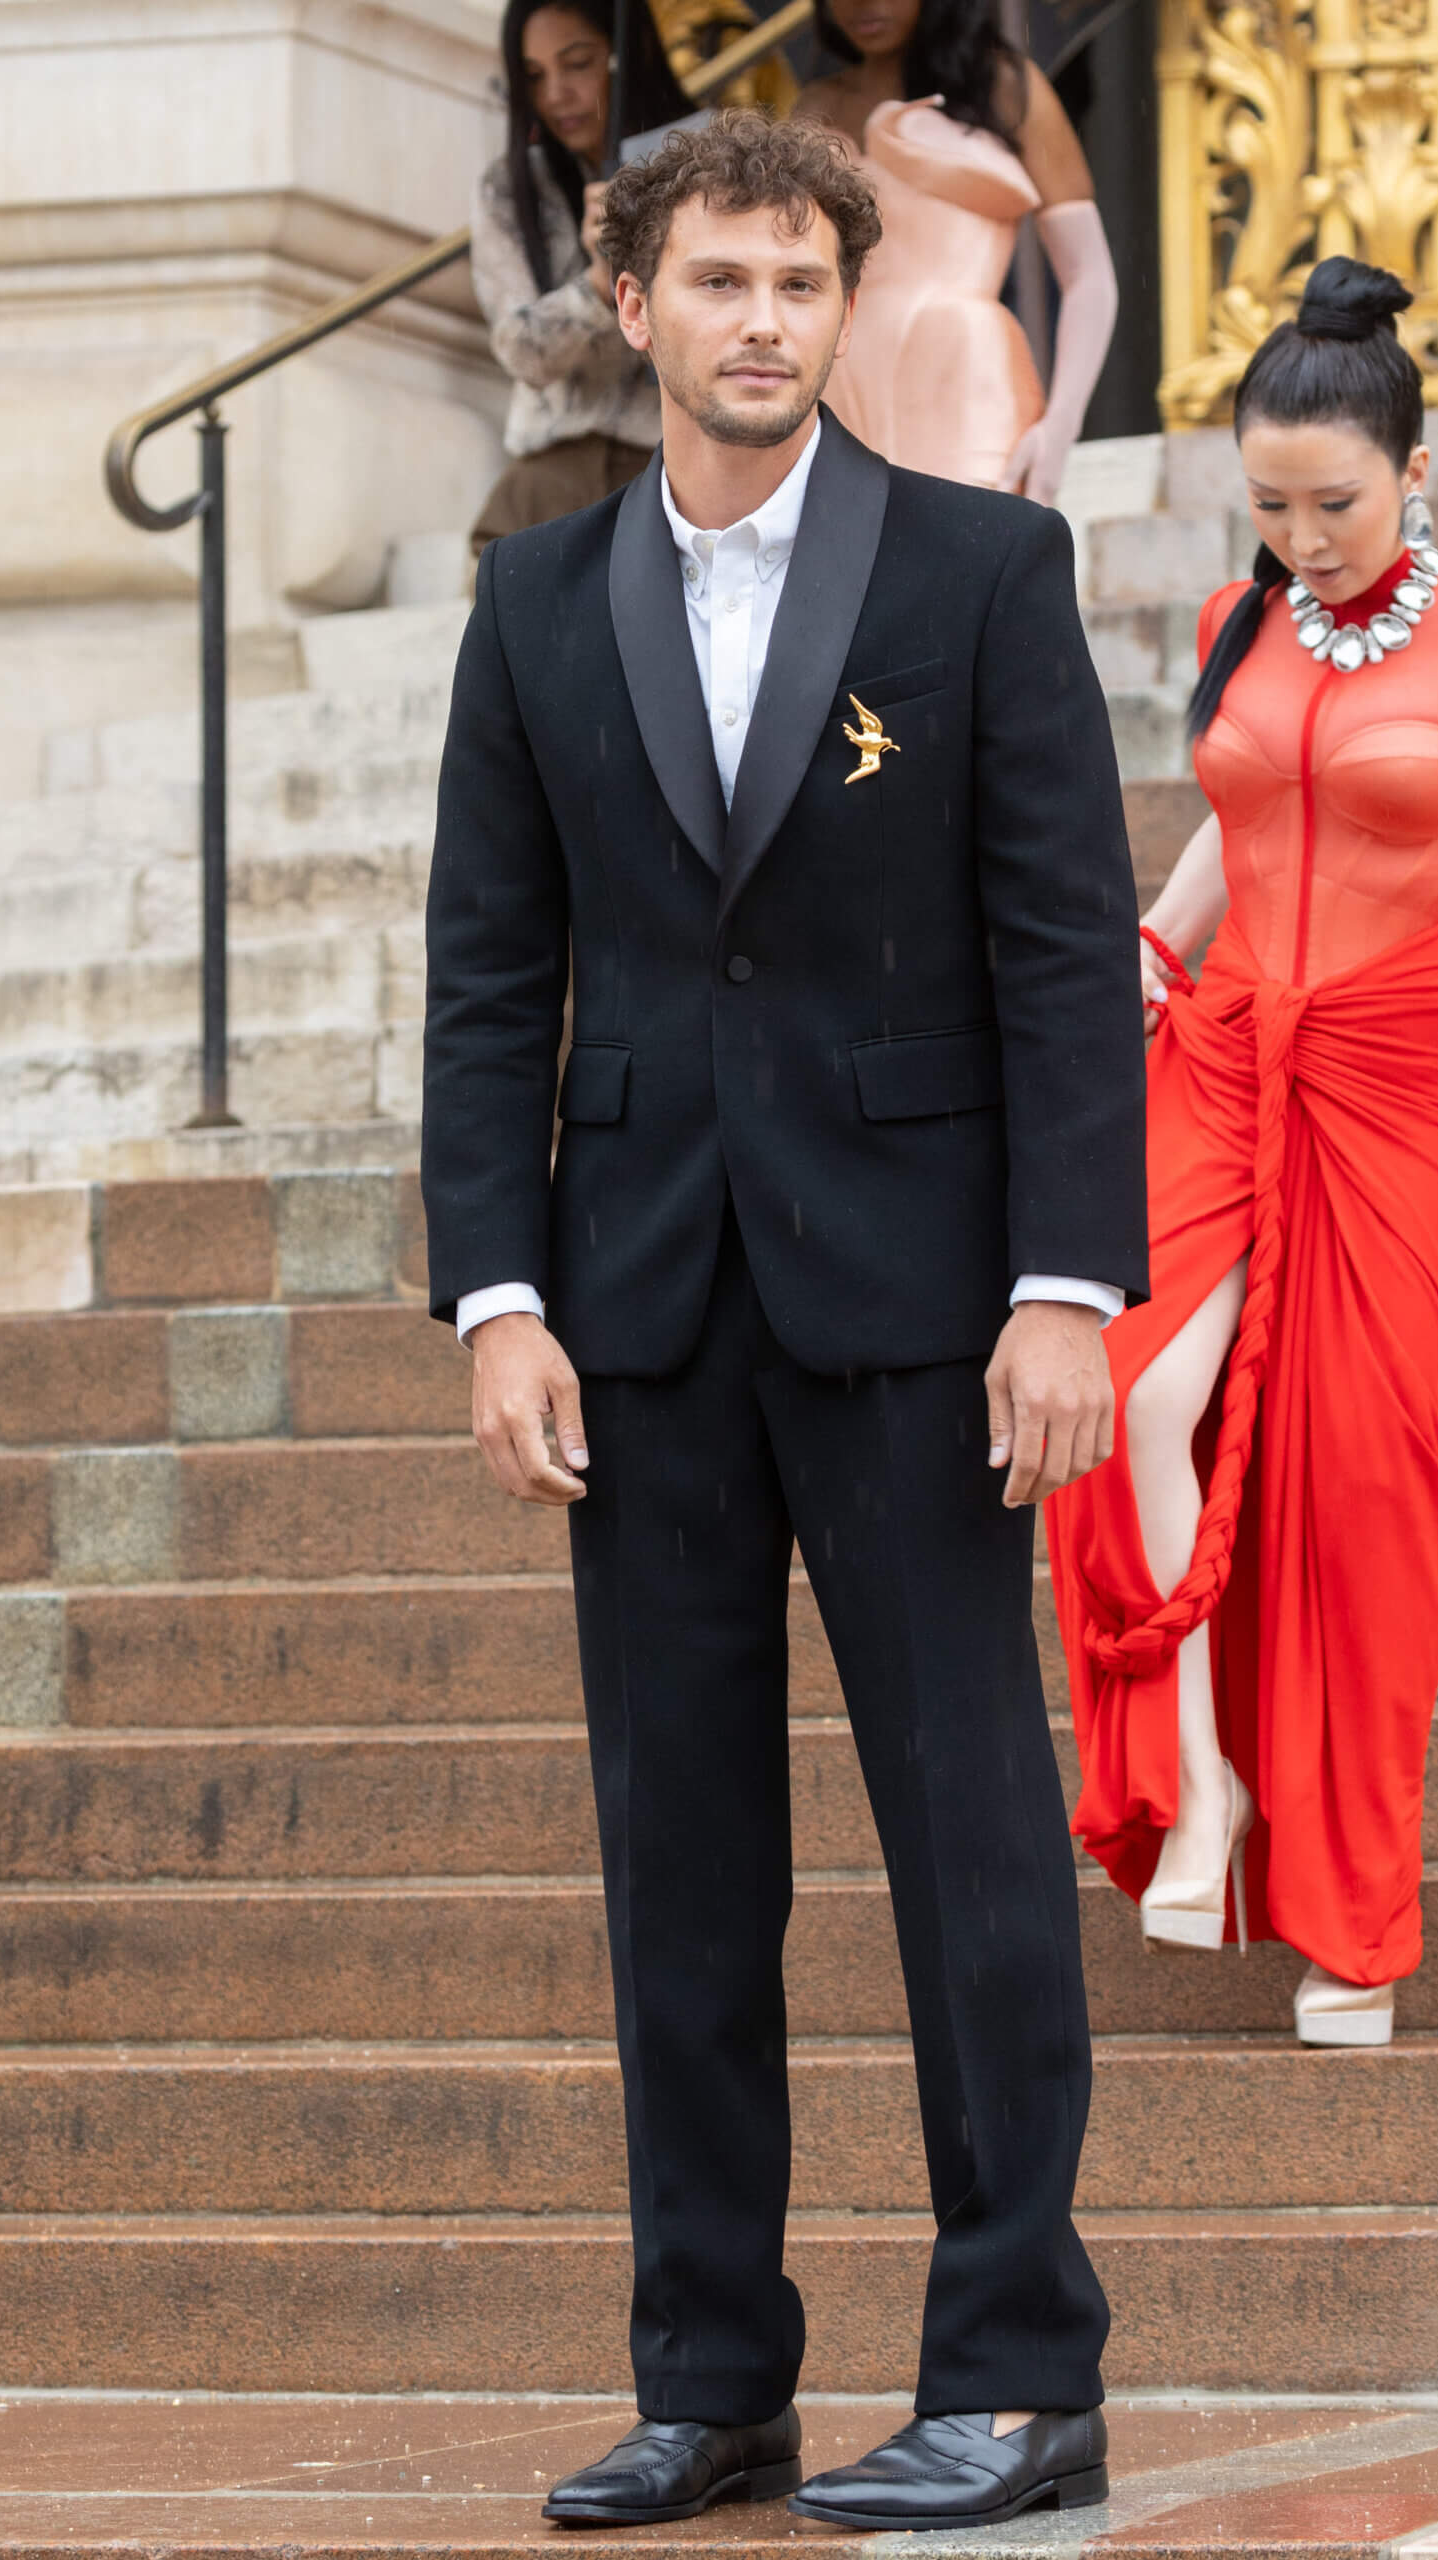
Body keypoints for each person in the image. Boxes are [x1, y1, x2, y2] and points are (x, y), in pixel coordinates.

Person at [422, 109, 1146, 2533]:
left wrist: (1066, 1284)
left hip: (924, 1307)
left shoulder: (979, 568)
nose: (762, 319)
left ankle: (1018, 2368)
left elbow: (1066, 950)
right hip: (637, 1315)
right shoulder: (533, 601)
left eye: (800, 282)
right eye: (719, 279)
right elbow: (486, 977)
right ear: (631, 305)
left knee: (968, 1844)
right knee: (681, 1864)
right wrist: (498, 1294)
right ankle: (711, 2369)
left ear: (848, 306)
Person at [1046, 257, 1438, 2050]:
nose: (1300, 541)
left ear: (1413, 474)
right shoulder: (1243, 612)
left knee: (1360, 1482)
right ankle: (1200, 1785)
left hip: (1399, 1075)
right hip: (1220, 1051)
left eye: (1334, 506)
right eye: (1268, 506)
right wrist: (1150, 944)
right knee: (1128, 1391)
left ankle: (1352, 1911)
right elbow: (1240, 811)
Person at [792, 0, 1116, 497]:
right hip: (834, 382)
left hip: (967, 381)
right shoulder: (813, 106)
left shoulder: (1005, 87)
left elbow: (1088, 276)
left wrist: (1061, 425)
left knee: (970, 539)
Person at [467, 0, 691, 545]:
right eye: (534, 76)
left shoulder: (702, 165)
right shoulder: (511, 188)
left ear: (625, 54)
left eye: (577, 63)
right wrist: (596, 283)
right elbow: (520, 350)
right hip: (547, 485)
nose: (555, 94)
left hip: (673, 478)